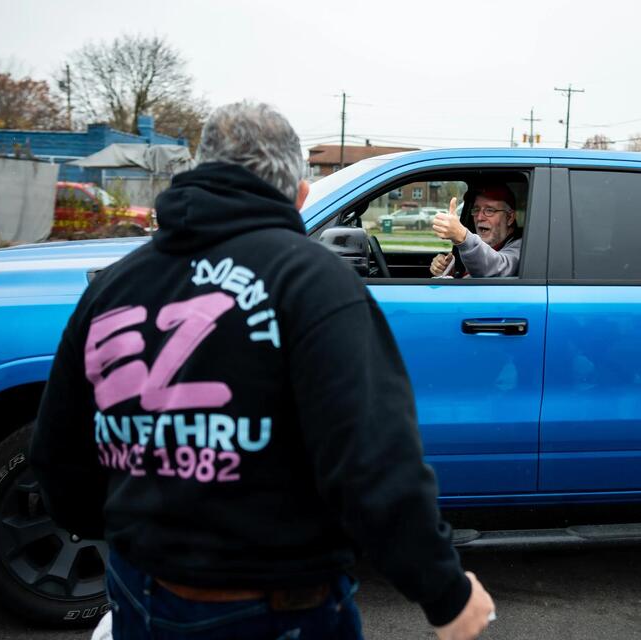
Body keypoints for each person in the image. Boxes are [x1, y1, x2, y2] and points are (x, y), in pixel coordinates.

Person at [30, 101, 495, 640]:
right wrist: (446, 593)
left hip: (137, 590)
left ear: (197, 173)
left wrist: (140, 532)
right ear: (299, 194)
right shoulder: (312, 281)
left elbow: (56, 452)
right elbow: (373, 462)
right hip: (274, 606)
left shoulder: (113, 285)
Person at [429, 185, 521, 277]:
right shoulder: (487, 245)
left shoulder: (522, 249)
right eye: (476, 210)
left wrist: (463, 237)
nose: (479, 217)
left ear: (509, 218)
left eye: (489, 210)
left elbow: (497, 268)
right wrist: (450, 270)